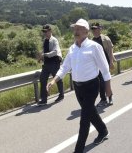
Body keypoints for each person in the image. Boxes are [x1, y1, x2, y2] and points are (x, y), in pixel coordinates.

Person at [46, 19, 112, 153]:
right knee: (90, 112)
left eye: (79, 29)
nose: (76, 31)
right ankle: (103, 130)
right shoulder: (72, 48)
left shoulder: (94, 47)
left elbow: (105, 69)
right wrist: (54, 80)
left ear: (86, 32)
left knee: (84, 119)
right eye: (75, 29)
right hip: (78, 88)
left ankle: (78, 149)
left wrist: (108, 87)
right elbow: (64, 67)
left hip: (92, 86)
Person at [37, 24, 64, 106]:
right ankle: (44, 99)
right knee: (42, 79)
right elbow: (44, 51)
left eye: (46, 31)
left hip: (54, 62)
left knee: (57, 79)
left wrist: (45, 55)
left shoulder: (54, 40)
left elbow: (55, 52)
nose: (45, 33)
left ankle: (61, 95)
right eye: (44, 31)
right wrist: (41, 58)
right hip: (47, 64)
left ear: (50, 31)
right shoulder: (45, 40)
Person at [91, 22, 116, 107]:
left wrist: (111, 61)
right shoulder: (92, 41)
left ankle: (108, 98)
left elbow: (110, 50)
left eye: (95, 29)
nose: (94, 31)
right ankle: (104, 99)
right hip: (97, 66)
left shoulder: (106, 39)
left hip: (105, 64)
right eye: (93, 29)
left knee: (105, 82)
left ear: (100, 29)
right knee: (100, 83)